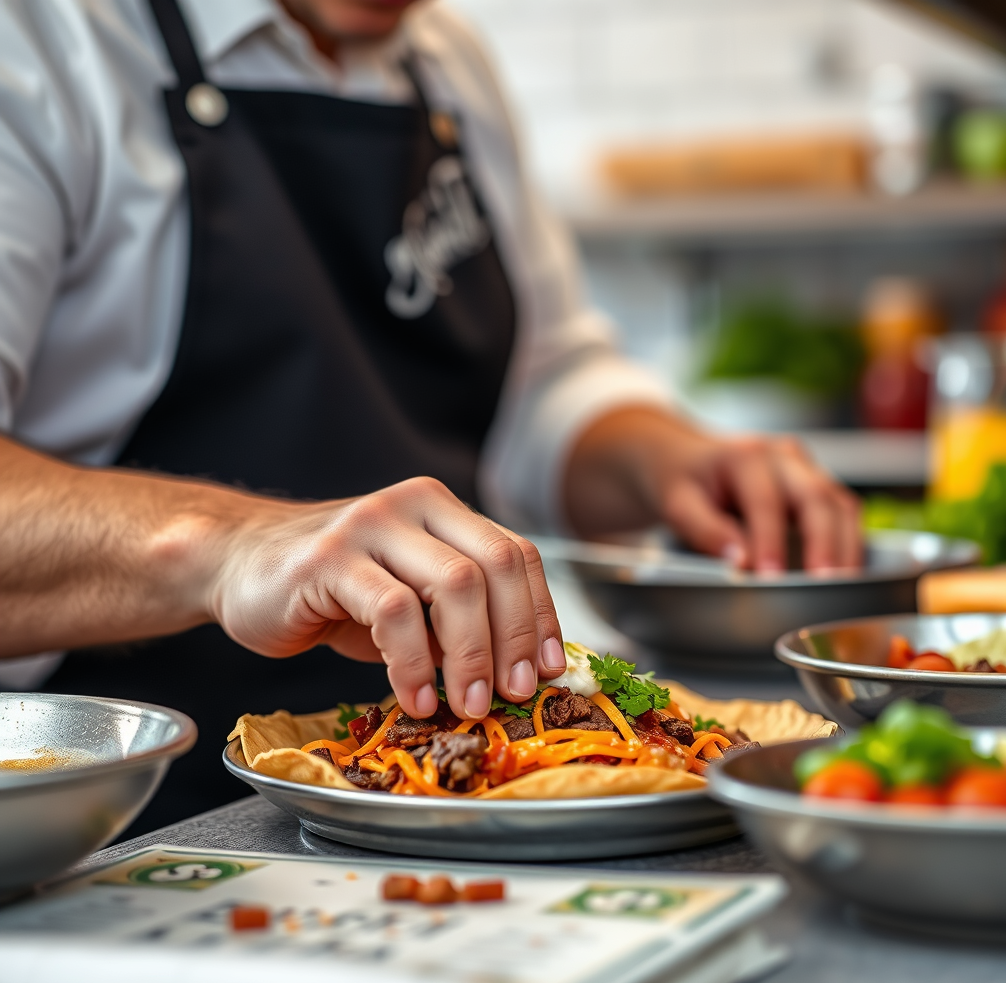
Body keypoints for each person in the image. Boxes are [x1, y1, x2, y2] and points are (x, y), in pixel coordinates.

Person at [0, 0, 861, 832]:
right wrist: (227, 546)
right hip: (116, 814)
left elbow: (539, 387)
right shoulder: (43, 41)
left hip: (452, 777)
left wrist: (665, 459)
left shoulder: (445, 62)